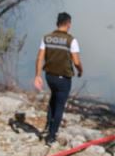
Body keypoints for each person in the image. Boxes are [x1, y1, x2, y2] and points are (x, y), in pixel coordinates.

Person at [34, 12, 83, 144]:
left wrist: (38, 75)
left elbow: (40, 57)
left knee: (53, 99)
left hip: (49, 76)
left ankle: (48, 126)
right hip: (63, 79)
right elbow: (76, 62)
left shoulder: (47, 38)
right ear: (68, 24)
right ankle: (51, 136)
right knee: (60, 105)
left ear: (57, 23)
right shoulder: (71, 40)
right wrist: (80, 71)